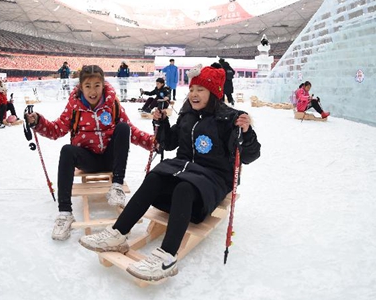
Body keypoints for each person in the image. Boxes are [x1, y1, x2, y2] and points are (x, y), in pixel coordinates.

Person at [79, 65, 261, 281]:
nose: (194, 94)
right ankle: (118, 232)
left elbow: (249, 156)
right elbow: (170, 143)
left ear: (214, 93)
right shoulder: (187, 115)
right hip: (184, 169)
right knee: (156, 177)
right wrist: (161, 123)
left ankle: (167, 256)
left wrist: (247, 133)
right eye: (192, 89)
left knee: (185, 187)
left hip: (213, 178)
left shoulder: (230, 119)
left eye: (201, 89)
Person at [24, 65, 155, 241]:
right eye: (88, 86)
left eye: (96, 85)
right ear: (81, 87)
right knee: (67, 150)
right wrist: (38, 122)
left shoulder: (112, 104)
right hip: (88, 159)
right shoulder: (75, 106)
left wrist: (153, 143)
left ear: (103, 85)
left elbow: (131, 131)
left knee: (123, 128)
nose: (93, 91)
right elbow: (56, 130)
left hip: (110, 158)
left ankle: (116, 187)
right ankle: (65, 213)